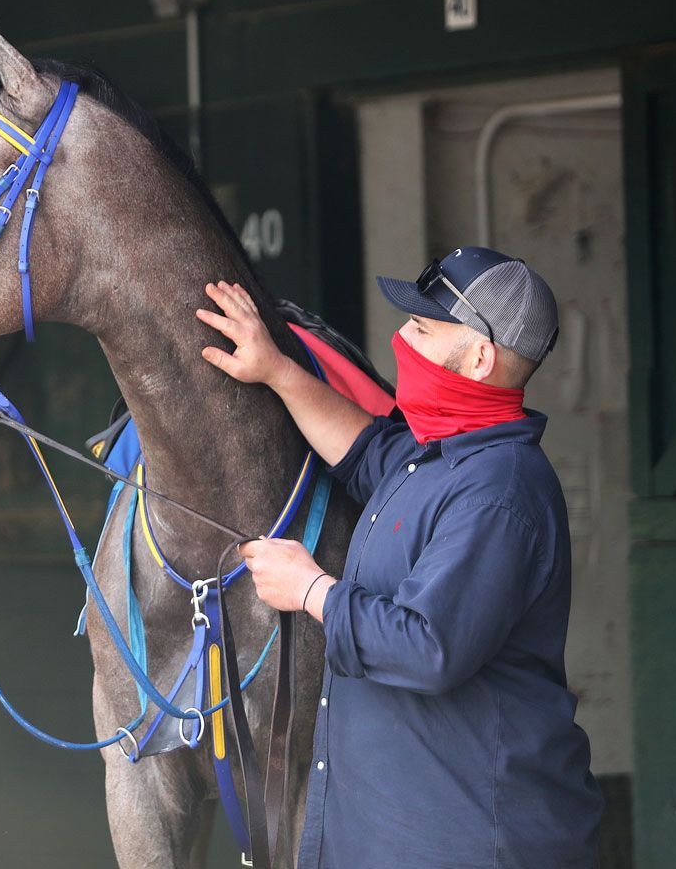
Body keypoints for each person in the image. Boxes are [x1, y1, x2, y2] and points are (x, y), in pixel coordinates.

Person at [196, 247, 604, 868]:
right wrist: (277, 370)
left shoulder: (501, 490)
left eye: (422, 328)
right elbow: (361, 449)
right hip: (395, 835)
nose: (400, 339)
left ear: (479, 357)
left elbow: (428, 649)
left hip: (470, 841)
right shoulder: (437, 455)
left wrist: (311, 590)